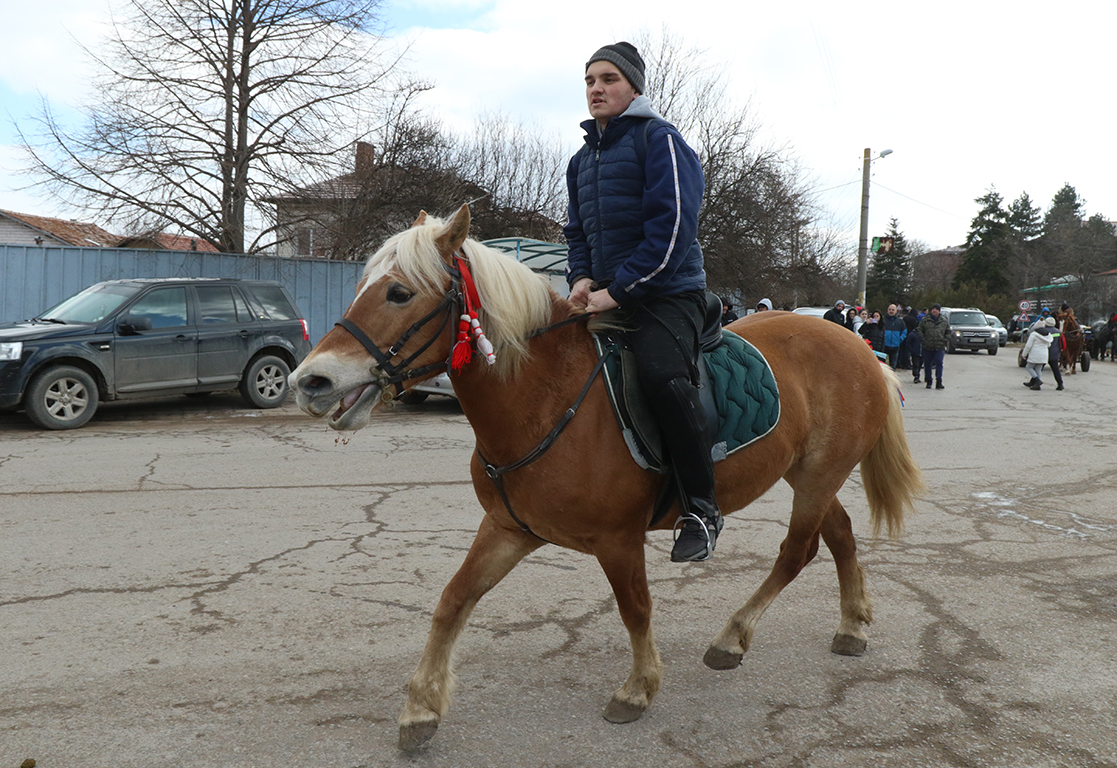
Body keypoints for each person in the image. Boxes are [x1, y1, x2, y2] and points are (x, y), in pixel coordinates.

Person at [564, 42, 721, 563]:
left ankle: (700, 508)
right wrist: (582, 278)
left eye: (608, 79)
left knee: (662, 378)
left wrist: (619, 290)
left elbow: (672, 230)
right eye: (589, 81)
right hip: (608, 295)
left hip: (669, 292)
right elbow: (577, 231)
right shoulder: (581, 160)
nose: (596, 89)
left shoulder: (663, 141)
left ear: (633, 87)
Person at [917, 304, 950, 389]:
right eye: (933, 309)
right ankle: (928, 380)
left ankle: (939, 381)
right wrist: (924, 340)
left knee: (939, 363)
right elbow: (919, 329)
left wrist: (945, 340)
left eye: (936, 309)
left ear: (939, 311)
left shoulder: (944, 321)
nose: (934, 311)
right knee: (927, 364)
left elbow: (948, 332)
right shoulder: (926, 320)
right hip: (927, 346)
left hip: (939, 346)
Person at [1022, 316, 1054, 390]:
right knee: (1038, 369)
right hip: (1044, 354)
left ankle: (1037, 380)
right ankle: (1037, 385)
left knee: (1029, 367)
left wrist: (1024, 354)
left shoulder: (1034, 334)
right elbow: (1049, 345)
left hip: (1035, 354)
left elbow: (1028, 346)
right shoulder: (1048, 335)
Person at [882, 303, 907, 369]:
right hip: (884, 345)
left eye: (893, 310)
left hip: (895, 346)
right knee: (883, 365)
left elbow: (904, 332)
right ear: (887, 310)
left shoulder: (900, 321)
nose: (891, 311)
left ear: (896, 311)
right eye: (890, 309)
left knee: (893, 366)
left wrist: (900, 339)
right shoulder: (883, 320)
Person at [1043, 316, 1065, 390]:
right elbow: (1063, 343)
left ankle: (1035, 382)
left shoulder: (1043, 331)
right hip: (1055, 353)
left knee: (1038, 368)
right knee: (1056, 370)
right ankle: (1060, 384)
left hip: (1044, 353)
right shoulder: (1059, 332)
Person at [903, 307, 922, 383]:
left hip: (918, 349)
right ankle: (916, 375)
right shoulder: (914, 333)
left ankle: (915, 372)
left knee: (919, 363)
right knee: (916, 364)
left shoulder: (905, 319)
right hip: (915, 350)